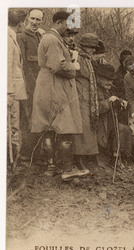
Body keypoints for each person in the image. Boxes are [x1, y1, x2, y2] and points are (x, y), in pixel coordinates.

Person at [31, 11, 86, 181]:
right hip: (55, 85)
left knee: (48, 127)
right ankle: (68, 170)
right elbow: (59, 67)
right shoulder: (53, 40)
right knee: (64, 127)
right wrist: (74, 67)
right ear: (60, 22)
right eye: (68, 25)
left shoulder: (48, 38)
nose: (70, 29)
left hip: (45, 84)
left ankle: (51, 167)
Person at [16, 8, 45, 161]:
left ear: (41, 21)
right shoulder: (21, 37)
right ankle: (27, 154)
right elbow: (21, 65)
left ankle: (37, 153)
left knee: (38, 118)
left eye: (38, 20)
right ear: (27, 19)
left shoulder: (40, 36)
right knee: (28, 119)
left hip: (40, 86)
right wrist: (27, 88)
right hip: (28, 86)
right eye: (32, 19)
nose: (34, 22)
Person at [71, 33, 102, 174]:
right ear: (84, 46)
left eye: (94, 48)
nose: (93, 50)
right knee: (81, 128)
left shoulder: (88, 59)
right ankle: (78, 159)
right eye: (91, 47)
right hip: (78, 96)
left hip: (89, 98)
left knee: (89, 127)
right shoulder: (76, 56)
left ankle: (89, 157)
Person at [95, 63, 132, 167]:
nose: (109, 82)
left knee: (126, 129)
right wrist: (108, 101)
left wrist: (120, 101)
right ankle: (114, 160)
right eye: (106, 79)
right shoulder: (95, 90)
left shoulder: (109, 89)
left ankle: (121, 157)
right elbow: (95, 108)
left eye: (111, 80)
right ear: (99, 78)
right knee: (119, 130)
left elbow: (114, 98)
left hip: (110, 121)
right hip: (100, 123)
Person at [7, 9, 28, 168]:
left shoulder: (11, 37)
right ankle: (9, 161)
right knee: (12, 126)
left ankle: (11, 159)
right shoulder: (7, 39)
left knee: (14, 126)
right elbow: (6, 67)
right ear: (21, 23)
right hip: (11, 91)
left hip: (14, 90)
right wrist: (8, 93)